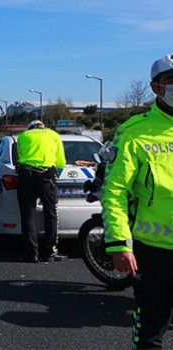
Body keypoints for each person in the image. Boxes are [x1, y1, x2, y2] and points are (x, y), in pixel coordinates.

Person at [102, 53, 173, 349]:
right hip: (156, 254)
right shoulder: (134, 132)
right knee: (150, 333)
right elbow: (114, 190)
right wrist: (119, 243)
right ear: (157, 87)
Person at [16, 119, 67, 263]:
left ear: (30, 128)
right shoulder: (53, 135)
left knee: (27, 215)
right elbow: (61, 162)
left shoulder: (23, 136)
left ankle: (31, 253)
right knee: (51, 213)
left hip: (25, 176)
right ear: (44, 127)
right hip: (45, 176)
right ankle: (50, 251)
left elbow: (20, 157)